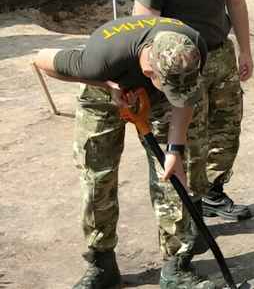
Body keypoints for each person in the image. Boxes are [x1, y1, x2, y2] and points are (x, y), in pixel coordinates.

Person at [33, 17, 211, 288]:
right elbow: (42, 58)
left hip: (160, 93)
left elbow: (184, 99)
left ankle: (176, 268)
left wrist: (174, 148)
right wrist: (107, 84)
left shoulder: (191, 47)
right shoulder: (99, 59)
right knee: (96, 175)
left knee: (174, 175)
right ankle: (102, 264)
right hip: (105, 85)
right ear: (150, 70)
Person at [133, 0, 254, 225]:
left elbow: (237, 2)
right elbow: (142, 32)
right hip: (183, 66)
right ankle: (192, 209)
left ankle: (212, 193)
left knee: (227, 130)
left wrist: (245, 50)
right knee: (191, 140)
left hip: (220, 56)